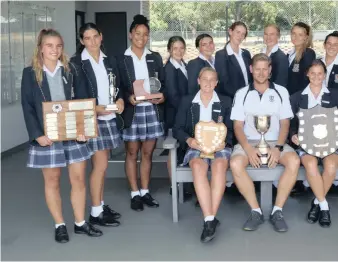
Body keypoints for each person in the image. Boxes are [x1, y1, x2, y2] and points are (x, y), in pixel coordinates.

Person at [21, 29, 102, 243]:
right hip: (46, 137)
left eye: (58, 46)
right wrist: (37, 135)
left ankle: (80, 223)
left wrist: (84, 128)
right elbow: (27, 107)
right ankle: (60, 225)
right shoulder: (30, 74)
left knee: (78, 179)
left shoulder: (72, 69)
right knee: (53, 181)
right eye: (49, 45)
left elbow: (85, 100)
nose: (54, 50)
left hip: (74, 134)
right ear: (40, 47)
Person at [230, 53, 300, 232]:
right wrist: (247, 149)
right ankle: (256, 211)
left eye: (265, 69)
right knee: (236, 163)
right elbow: (238, 126)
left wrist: (278, 148)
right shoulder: (241, 93)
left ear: (270, 70)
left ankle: (277, 211)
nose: (261, 73)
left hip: (276, 141)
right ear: (251, 70)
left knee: (293, 161)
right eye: (257, 69)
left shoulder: (281, 91)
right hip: (250, 142)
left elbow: (285, 122)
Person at [70, 23, 123, 228]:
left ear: (101, 37)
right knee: (99, 166)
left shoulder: (109, 61)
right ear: (82, 41)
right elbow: (74, 97)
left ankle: (99, 206)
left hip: (108, 118)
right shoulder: (75, 64)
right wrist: (96, 108)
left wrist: (120, 102)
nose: (92, 41)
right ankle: (95, 212)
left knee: (102, 167)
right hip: (90, 120)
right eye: (87, 38)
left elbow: (117, 88)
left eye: (95, 36)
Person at [173, 67, 233, 243]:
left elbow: (231, 129)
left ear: (216, 82)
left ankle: (209, 219)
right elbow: (177, 129)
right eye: (204, 79)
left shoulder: (225, 101)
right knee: (198, 167)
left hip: (219, 146)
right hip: (196, 146)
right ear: (198, 81)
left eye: (212, 79)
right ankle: (210, 219)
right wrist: (189, 141)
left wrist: (224, 141)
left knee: (219, 165)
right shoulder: (187, 101)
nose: (208, 83)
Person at [116, 14, 165, 211]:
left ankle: (145, 191)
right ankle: (134, 193)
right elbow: (117, 86)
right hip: (132, 112)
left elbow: (164, 84)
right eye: (138, 33)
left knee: (147, 152)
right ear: (130, 35)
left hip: (151, 111)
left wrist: (162, 96)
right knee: (132, 152)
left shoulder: (155, 58)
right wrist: (127, 98)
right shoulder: (121, 59)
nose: (141, 38)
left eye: (145, 34)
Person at [290, 59, 338, 228]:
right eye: (313, 73)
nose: (316, 76)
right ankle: (324, 207)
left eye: (320, 73)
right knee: (310, 165)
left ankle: (317, 203)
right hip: (306, 145)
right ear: (307, 74)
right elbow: (291, 124)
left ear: (324, 75)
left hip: (330, 144)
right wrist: (293, 135)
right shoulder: (296, 97)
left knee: (331, 166)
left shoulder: (335, 95)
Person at [163, 36, 192, 198]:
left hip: (183, 114)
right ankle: (174, 185)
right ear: (169, 50)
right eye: (175, 48)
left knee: (182, 150)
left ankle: (183, 185)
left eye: (182, 48)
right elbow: (173, 96)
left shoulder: (183, 65)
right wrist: (187, 112)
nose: (179, 51)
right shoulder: (169, 69)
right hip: (175, 115)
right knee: (173, 150)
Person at [215, 21, 252, 99]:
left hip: (249, 96)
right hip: (233, 99)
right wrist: (240, 97)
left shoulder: (246, 53)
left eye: (243, 34)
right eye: (238, 32)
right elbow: (224, 83)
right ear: (230, 31)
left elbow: (250, 77)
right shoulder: (221, 55)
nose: (240, 36)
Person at [287, 22, 316, 95]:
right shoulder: (289, 54)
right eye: (293, 33)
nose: (296, 37)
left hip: (300, 97)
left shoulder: (308, 53)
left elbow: (306, 80)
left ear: (306, 37)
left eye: (300, 35)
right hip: (288, 96)